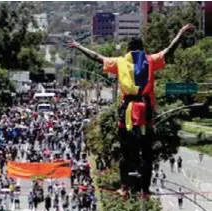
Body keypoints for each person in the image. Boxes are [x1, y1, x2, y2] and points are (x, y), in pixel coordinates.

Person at [67, 24, 195, 194]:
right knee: (147, 152)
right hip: (146, 111)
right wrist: (180, 32)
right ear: (142, 49)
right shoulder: (150, 60)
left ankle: (125, 187)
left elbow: (96, 57)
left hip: (127, 111)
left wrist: (79, 46)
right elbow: (169, 50)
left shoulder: (119, 62)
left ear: (128, 49)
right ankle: (146, 189)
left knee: (126, 152)